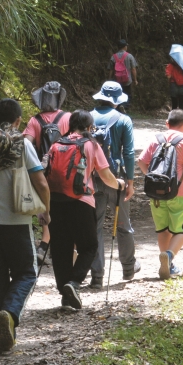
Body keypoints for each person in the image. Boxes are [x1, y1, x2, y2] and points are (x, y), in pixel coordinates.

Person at [0, 99, 52, 352]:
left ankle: (1, 333)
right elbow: (41, 182)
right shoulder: (22, 144)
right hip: (16, 220)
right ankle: (11, 313)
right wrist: (45, 211)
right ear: (17, 121)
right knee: (26, 272)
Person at [43, 110, 123, 309]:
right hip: (81, 203)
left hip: (55, 202)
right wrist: (119, 184)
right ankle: (74, 282)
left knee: (61, 250)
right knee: (88, 246)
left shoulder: (56, 144)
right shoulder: (91, 145)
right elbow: (105, 176)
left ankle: (65, 296)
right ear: (89, 128)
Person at [138, 109, 183, 279]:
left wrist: (151, 178)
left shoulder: (156, 139)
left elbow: (141, 161)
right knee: (181, 230)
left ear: (167, 123)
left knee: (163, 229)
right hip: (180, 191)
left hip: (157, 193)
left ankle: (168, 264)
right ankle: (169, 256)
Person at [88, 80, 138, 287]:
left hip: (91, 178)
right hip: (115, 178)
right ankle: (128, 268)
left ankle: (97, 276)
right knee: (123, 224)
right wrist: (130, 182)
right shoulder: (123, 120)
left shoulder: (87, 117)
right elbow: (129, 153)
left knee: (95, 226)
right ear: (116, 101)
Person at [24, 81, 71, 267]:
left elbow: (26, 143)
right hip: (66, 169)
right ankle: (58, 245)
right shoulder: (68, 117)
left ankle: (44, 244)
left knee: (45, 205)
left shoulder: (35, 121)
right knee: (65, 207)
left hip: (42, 171)